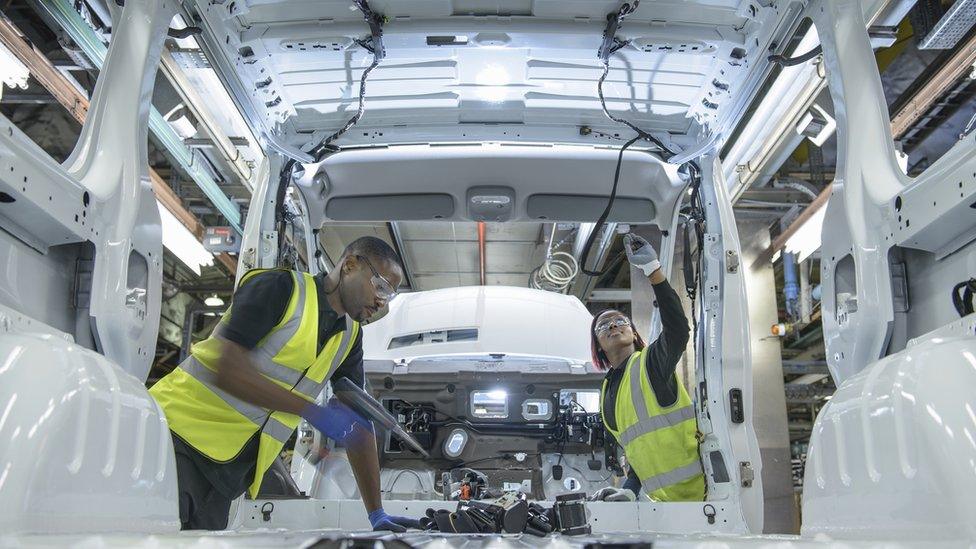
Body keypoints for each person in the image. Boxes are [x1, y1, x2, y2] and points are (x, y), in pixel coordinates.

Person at [150, 236, 420, 531]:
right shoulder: (280, 288)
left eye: (390, 295)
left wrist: (376, 514)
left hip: (229, 472)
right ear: (350, 265)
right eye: (380, 286)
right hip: (176, 438)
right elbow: (226, 368)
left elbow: (358, 425)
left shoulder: (349, 337)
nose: (382, 301)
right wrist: (311, 411)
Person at [588, 234, 705, 502]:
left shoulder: (650, 363)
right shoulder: (607, 391)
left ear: (633, 332)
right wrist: (628, 489)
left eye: (621, 321)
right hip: (661, 504)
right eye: (604, 326)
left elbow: (677, 330)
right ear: (598, 345)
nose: (614, 326)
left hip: (701, 495)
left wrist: (654, 272)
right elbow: (637, 450)